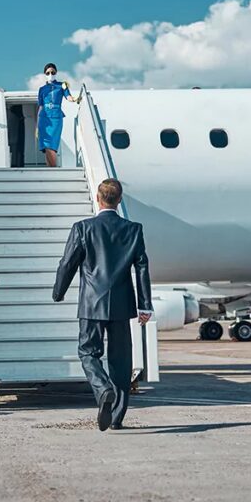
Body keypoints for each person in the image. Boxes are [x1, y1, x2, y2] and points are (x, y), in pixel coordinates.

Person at [52, 179, 153, 431]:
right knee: (121, 361)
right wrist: (145, 305)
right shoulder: (134, 229)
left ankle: (102, 388)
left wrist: (58, 292)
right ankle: (117, 417)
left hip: (91, 304)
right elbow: (141, 267)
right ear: (119, 200)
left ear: (98, 198)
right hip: (122, 305)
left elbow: (68, 264)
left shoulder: (82, 228)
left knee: (88, 353)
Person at [36, 63, 79, 167]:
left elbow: (68, 97)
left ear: (56, 73)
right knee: (46, 146)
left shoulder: (61, 85)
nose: (50, 74)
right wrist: (37, 126)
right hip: (44, 118)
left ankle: (53, 169)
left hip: (56, 118)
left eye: (53, 72)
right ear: (45, 74)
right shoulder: (42, 89)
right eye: (48, 73)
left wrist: (75, 99)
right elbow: (40, 107)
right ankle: (49, 169)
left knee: (52, 145)